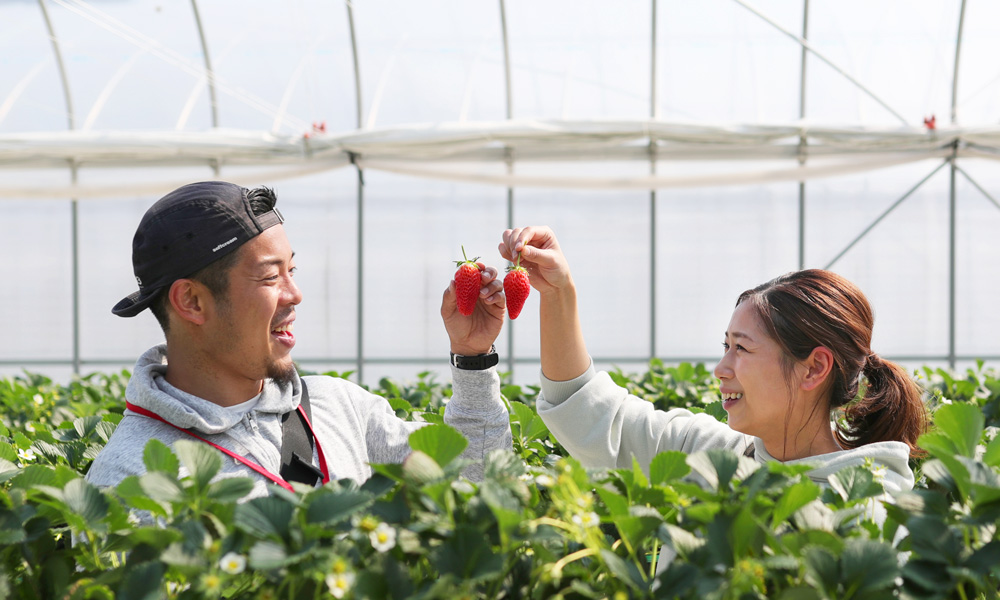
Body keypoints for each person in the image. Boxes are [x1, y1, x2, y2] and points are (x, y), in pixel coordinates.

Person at [86, 181, 512, 498]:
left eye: (293, 271)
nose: (295, 294)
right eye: (271, 276)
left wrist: (472, 357)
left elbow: (477, 482)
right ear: (192, 302)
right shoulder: (128, 480)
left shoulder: (340, 408)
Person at [498, 225, 928, 504]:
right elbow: (589, 414)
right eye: (725, 346)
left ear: (814, 369)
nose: (721, 368)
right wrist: (557, 294)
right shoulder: (709, 454)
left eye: (741, 349)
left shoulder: (870, 508)